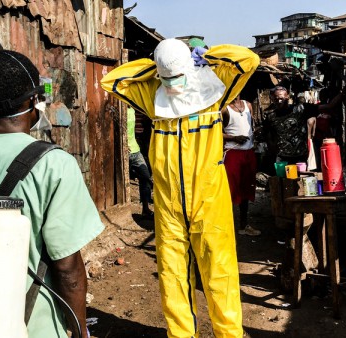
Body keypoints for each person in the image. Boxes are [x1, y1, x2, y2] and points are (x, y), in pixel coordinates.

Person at [0, 50, 104, 338]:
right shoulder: (54, 164)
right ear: (32, 101)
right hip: (32, 325)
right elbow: (67, 269)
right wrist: (79, 330)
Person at [101, 38, 259, 338]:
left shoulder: (215, 88)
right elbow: (113, 80)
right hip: (169, 204)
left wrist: (208, 57)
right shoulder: (152, 95)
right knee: (172, 277)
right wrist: (157, 66)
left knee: (219, 274)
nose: (173, 83)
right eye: (167, 78)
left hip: (209, 201)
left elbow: (248, 59)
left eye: (178, 75)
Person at [222, 96, 260, 236]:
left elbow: (251, 126)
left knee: (246, 190)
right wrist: (233, 138)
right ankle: (226, 227)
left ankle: (244, 225)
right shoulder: (224, 109)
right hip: (232, 153)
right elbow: (215, 133)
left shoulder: (248, 105)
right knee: (229, 190)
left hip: (248, 153)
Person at [127, 106, 154, 218]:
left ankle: (145, 208)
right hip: (125, 151)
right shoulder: (120, 111)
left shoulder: (133, 110)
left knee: (145, 176)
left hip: (135, 149)